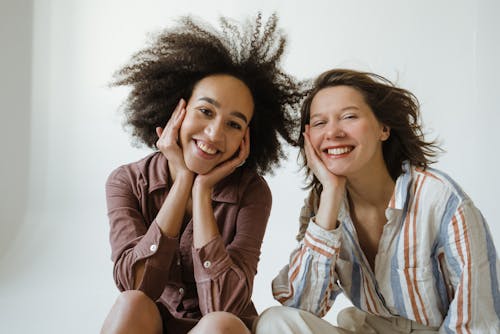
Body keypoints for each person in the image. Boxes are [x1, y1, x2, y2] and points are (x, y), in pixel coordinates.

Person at [100, 13, 304, 334]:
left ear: (247, 138)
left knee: (218, 323)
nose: (213, 133)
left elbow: (224, 306)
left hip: (221, 329)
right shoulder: (127, 181)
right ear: (175, 110)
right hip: (151, 323)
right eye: (205, 111)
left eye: (233, 124)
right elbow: (134, 283)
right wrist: (183, 180)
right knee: (132, 303)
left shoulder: (252, 192)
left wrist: (202, 191)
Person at [254, 69, 500, 333]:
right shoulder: (322, 204)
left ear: (383, 128)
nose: (333, 132)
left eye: (348, 117)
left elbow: (477, 321)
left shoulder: (440, 201)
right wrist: (331, 196)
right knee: (274, 322)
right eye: (319, 123)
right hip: (367, 329)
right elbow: (302, 305)